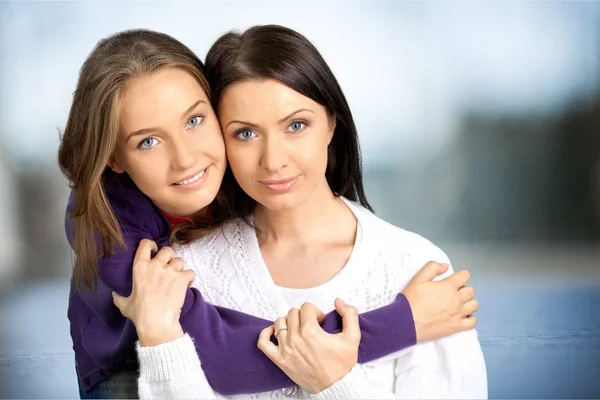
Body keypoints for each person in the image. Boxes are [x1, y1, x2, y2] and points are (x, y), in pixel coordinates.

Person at [58, 29, 477, 399]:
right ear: (113, 156)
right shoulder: (117, 235)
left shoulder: (407, 261)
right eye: (148, 141)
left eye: (195, 120)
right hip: (120, 363)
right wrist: (403, 323)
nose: (185, 158)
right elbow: (221, 357)